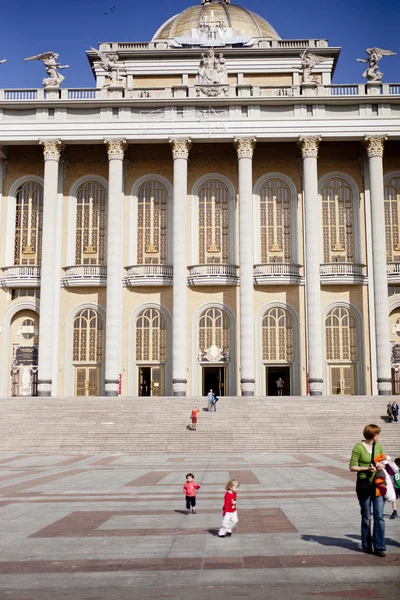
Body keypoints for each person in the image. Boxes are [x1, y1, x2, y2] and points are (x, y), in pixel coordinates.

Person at [349, 424, 387, 557]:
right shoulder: (358, 447)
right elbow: (352, 467)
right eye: (377, 434)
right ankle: (367, 545)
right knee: (366, 517)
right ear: (371, 435)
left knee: (379, 516)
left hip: (377, 484)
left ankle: (379, 546)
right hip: (364, 484)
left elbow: (383, 460)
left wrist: (381, 464)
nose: (379, 436)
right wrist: (367, 468)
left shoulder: (378, 446)